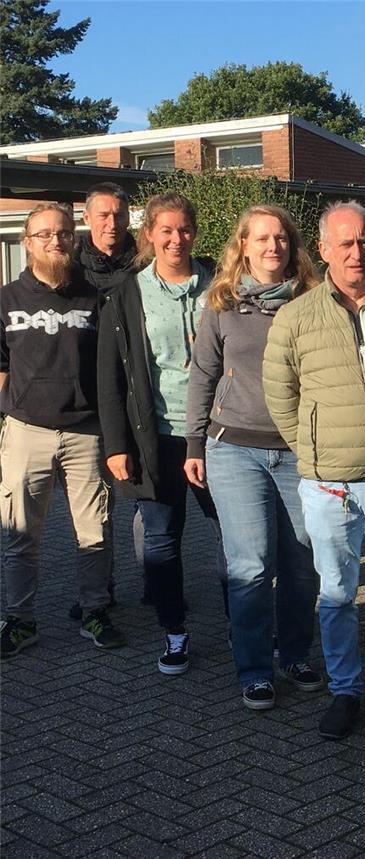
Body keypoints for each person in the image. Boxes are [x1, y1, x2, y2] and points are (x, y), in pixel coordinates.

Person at [264, 201, 365, 740]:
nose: (356, 252)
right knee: (338, 595)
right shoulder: (296, 316)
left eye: (364, 241)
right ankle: (345, 690)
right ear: (323, 250)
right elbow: (281, 395)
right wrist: (314, 448)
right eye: (344, 243)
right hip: (330, 484)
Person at [184, 205, 322, 711]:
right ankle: (255, 669)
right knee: (251, 566)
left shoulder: (313, 300)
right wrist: (194, 444)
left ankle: (295, 654)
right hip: (234, 450)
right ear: (243, 245)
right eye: (261, 238)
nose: (272, 246)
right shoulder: (220, 302)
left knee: (303, 564)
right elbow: (203, 374)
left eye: (280, 237)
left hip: (298, 453)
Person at [97, 192, 225, 676]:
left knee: (234, 536)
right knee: (161, 540)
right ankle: (174, 631)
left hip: (217, 434)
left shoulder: (220, 284)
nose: (176, 239)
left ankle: (244, 624)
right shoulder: (126, 295)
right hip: (156, 435)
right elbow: (110, 377)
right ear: (149, 233)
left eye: (184, 229)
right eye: (165, 230)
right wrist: (116, 445)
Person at [0, 203, 125, 658]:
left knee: (95, 530)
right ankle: (20, 621)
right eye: (45, 234)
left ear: (74, 239)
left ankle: (94, 611)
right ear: (27, 243)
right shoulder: (7, 299)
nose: (55, 241)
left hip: (86, 432)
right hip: (25, 430)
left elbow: (111, 368)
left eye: (64, 233)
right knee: (20, 535)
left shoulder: (93, 297)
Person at [68, 181, 137, 622]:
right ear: (87, 218)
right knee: (99, 506)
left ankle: (159, 581)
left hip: (141, 393)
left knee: (151, 502)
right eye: (104, 215)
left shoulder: (144, 263)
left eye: (119, 215)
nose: (112, 223)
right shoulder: (71, 270)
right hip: (92, 400)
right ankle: (101, 589)